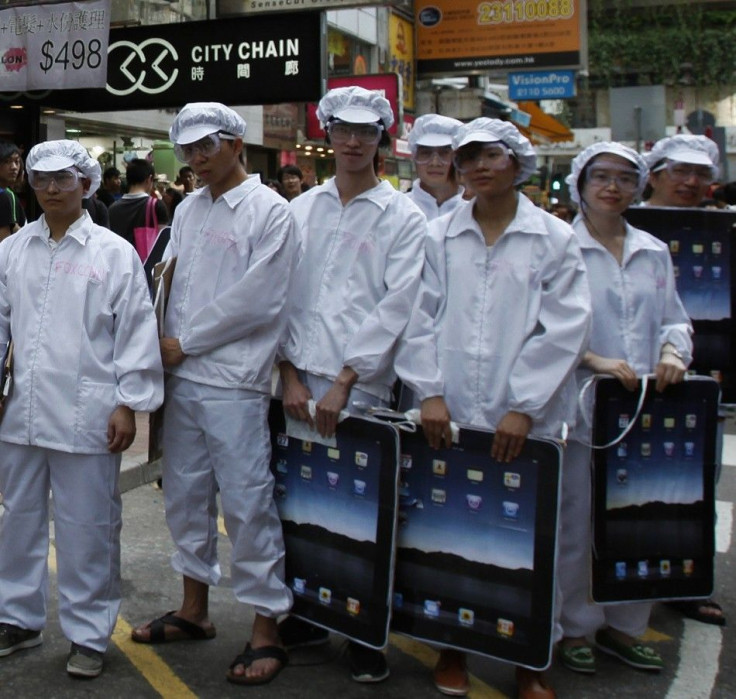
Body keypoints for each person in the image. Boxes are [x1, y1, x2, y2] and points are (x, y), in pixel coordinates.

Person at [396, 117, 591, 699]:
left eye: (492, 156)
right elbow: (417, 316)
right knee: (446, 531)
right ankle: (451, 646)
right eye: (469, 157)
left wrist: (524, 407)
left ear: (517, 163)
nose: (479, 166)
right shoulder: (439, 237)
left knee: (531, 538)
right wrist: (429, 392)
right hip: (448, 411)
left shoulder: (552, 239)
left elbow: (566, 328)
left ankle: (531, 657)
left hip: (525, 420)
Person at [130, 102, 298, 688]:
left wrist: (186, 342)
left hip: (234, 382)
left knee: (248, 504)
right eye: (190, 149)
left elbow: (259, 300)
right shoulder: (191, 210)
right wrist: (159, 350)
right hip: (183, 379)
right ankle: (194, 608)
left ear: (235, 144)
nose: (198, 159)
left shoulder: (270, 212)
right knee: (184, 495)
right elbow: (170, 285)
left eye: (208, 146)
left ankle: (266, 628)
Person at [277, 86, 427, 684]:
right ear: (329, 135)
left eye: (367, 133)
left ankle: (367, 632)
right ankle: (311, 614)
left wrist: (344, 382)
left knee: (364, 510)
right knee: (300, 507)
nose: (354, 142)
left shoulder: (403, 217)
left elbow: (397, 306)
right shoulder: (299, 210)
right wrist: (287, 374)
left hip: (359, 389)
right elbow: (279, 295)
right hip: (294, 384)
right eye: (344, 131)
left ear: (381, 141)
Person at [0, 140, 163, 678]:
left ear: (86, 184)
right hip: (19, 413)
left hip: (88, 414)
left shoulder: (112, 254)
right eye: (41, 180)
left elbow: (136, 332)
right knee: (16, 521)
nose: (50, 189)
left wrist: (128, 404)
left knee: (87, 525)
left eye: (62, 180)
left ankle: (89, 633)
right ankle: (18, 618)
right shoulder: (13, 250)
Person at [556, 142, 693, 676]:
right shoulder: (562, 247)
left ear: (639, 187)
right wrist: (591, 358)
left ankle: (627, 625)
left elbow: (675, 318)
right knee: (577, 520)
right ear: (581, 185)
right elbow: (541, 325)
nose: (612, 187)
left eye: (623, 179)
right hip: (582, 405)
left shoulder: (653, 251)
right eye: (601, 178)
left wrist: (671, 352)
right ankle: (574, 626)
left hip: (644, 409)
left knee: (637, 518)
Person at [642, 134, 727, 627]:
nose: (691, 182)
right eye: (680, 172)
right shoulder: (623, 224)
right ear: (654, 175)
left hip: (700, 379)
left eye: (700, 174)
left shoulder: (723, 229)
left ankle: (687, 583)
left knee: (694, 485)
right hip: (627, 380)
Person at [405, 114, 464, 220]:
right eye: (426, 153)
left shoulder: (477, 211)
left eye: (445, 153)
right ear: (414, 157)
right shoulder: (395, 209)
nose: (435, 162)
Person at [643, 134, 718, 208]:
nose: (692, 182)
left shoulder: (715, 219)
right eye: (680, 171)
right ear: (653, 178)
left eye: (702, 174)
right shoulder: (633, 218)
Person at [108, 159, 169, 247]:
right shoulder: (156, 205)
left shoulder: (112, 209)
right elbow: (163, 242)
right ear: (149, 179)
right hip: (147, 260)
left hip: (120, 258)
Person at [0, 140, 26, 232]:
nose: (14, 167)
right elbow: (5, 241)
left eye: (17, 161)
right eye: (7, 162)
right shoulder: (6, 195)